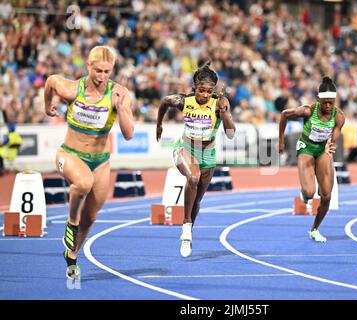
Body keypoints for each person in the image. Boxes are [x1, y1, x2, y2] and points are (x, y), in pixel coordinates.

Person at [44, 46, 134, 280]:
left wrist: (122, 108)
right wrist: (47, 105)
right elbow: (52, 80)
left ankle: (72, 256)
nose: (103, 76)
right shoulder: (73, 88)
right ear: (88, 66)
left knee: (92, 216)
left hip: (101, 161)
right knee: (83, 182)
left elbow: (128, 134)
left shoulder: (120, 93)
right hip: (70, 154)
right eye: (98, 71)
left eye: (107, 71)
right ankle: (71, 222)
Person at [156, 62, 236, 257]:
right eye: (201, 90)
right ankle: (185, 227)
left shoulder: (220, 103)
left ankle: (189, 228)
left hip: (208, 154)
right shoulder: (184, 101)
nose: (205, 95)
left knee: (197, 200)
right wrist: (159, 125)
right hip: (185, 147)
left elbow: (231, 133)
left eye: (210, 92)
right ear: (194, 88)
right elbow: (165, 101)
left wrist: (223, 109)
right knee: (193, 177)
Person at [279, 76, 345, 242]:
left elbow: (335, 135)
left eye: (332, 102)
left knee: (326, 195)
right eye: (325, 103)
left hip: (322, 149)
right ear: (318, 100)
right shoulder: (308, 110)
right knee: (309, 193)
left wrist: (331, 144)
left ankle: (315, 229)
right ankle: (304, 194)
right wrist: (281, 141)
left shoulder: (339, 116)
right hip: (306, 147)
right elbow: (284, 114)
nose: (329, 106)